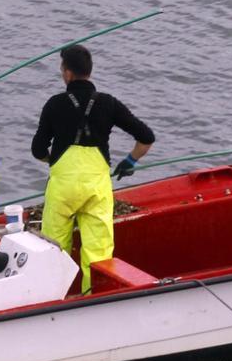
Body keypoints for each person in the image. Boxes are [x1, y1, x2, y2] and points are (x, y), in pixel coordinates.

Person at [31, 45, 154, 294]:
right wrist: (129, 161)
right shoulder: (108, 103)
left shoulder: (54, 104)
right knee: (98, 254)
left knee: (54, 249)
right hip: (96, 189)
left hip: (63, 189)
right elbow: (146, 137)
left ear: (67, 73)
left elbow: (37, 149)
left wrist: (53, 160)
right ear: (89, 71)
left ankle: (53, 300)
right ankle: (94, 299)